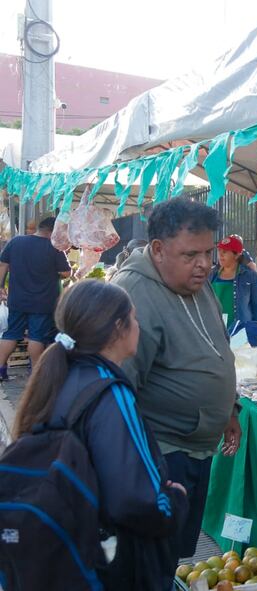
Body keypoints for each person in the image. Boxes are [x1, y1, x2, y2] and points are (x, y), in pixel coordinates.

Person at [11, 280, 187, 590]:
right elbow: (133, 499)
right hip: (102, 562)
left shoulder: (61, 377)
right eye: (133, 318)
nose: (138, 325)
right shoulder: (110, 392)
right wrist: (173, 501)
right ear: (118, 328)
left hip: (61, 551)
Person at [112, 199, 240, 563]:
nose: (204, 264)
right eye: (190, 255)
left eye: (208, 251)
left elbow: (218, 349)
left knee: (174, 553)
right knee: (152, 558)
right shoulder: (134, 294)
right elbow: (119, 390)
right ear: (158, 249)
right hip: (162, 453)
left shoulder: (199, 285)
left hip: (196, 449)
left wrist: (229, 409)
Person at [0, 216, 71, 379]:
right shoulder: (54, 247)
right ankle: (36, 374)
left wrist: (0, 286)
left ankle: (1, 369)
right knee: (36, 336)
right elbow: (66, 272)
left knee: (11, 333)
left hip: (17, 299)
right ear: (52, 231)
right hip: (43, 302)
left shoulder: (16, 242)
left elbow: (2, 264)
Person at [209, 234, 257, 336]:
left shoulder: (250, 277)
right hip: (213, 333)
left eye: (225, 252)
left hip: (240, 335)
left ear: (237, 255)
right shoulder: (210, 274)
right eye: (219, 251)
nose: (220, 255)